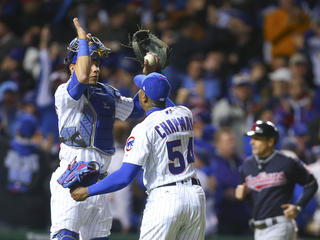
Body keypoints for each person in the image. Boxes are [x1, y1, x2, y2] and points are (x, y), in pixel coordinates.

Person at [50, 18, 165, 240]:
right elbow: (81, 78)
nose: (95, 68)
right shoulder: (64, 92)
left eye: (97, 63)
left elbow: (139, 108)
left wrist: (148, 74)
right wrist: (83, 41)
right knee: (66, 236)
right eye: (90, 62)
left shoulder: (107, 92)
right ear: (72, 66)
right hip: (71, 178)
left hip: (99, 183)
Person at [71, 72, 206, 239]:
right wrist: (154, 74)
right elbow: (162, 98)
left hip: (166, 198)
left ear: (143, 97)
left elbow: (124, 177)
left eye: (141, 91)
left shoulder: (144, 129)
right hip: (195, 196)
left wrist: (88, 191)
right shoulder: (184, 113)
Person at [235, 120, 318, 240]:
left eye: (257, 138)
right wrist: (244, 195)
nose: (252, 142)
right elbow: (256, 198)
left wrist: (298, 207)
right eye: (252, 138)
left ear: (270, 141)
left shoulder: (287, 162)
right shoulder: (247, 166)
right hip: (259, 229)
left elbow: (311, 183)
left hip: (279, 224)